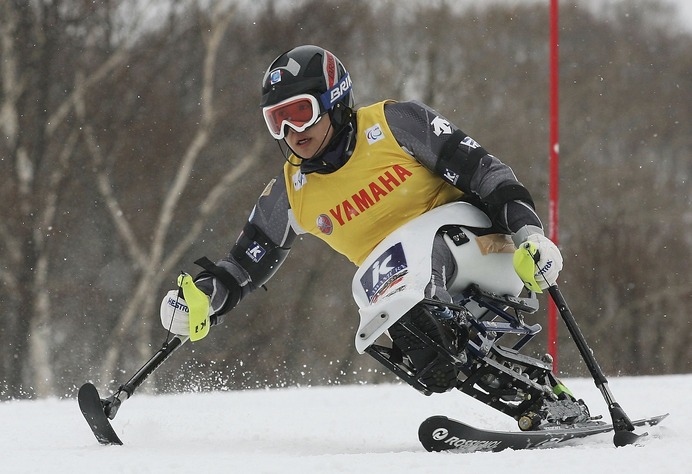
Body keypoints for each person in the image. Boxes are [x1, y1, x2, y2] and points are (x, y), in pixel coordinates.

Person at [160, 44, 563, 394]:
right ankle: (527, 392)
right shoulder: (290, 192)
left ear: (334, 102)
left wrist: (531, 236)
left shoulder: (395, 124)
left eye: (301, 112)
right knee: (375, 296)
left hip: (491, 251)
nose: (291, 131)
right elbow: (243, 265)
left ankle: (439, 333)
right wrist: (201, 298)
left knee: (397, 267)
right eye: (276, 120)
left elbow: (487, 173)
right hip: (405, 286)